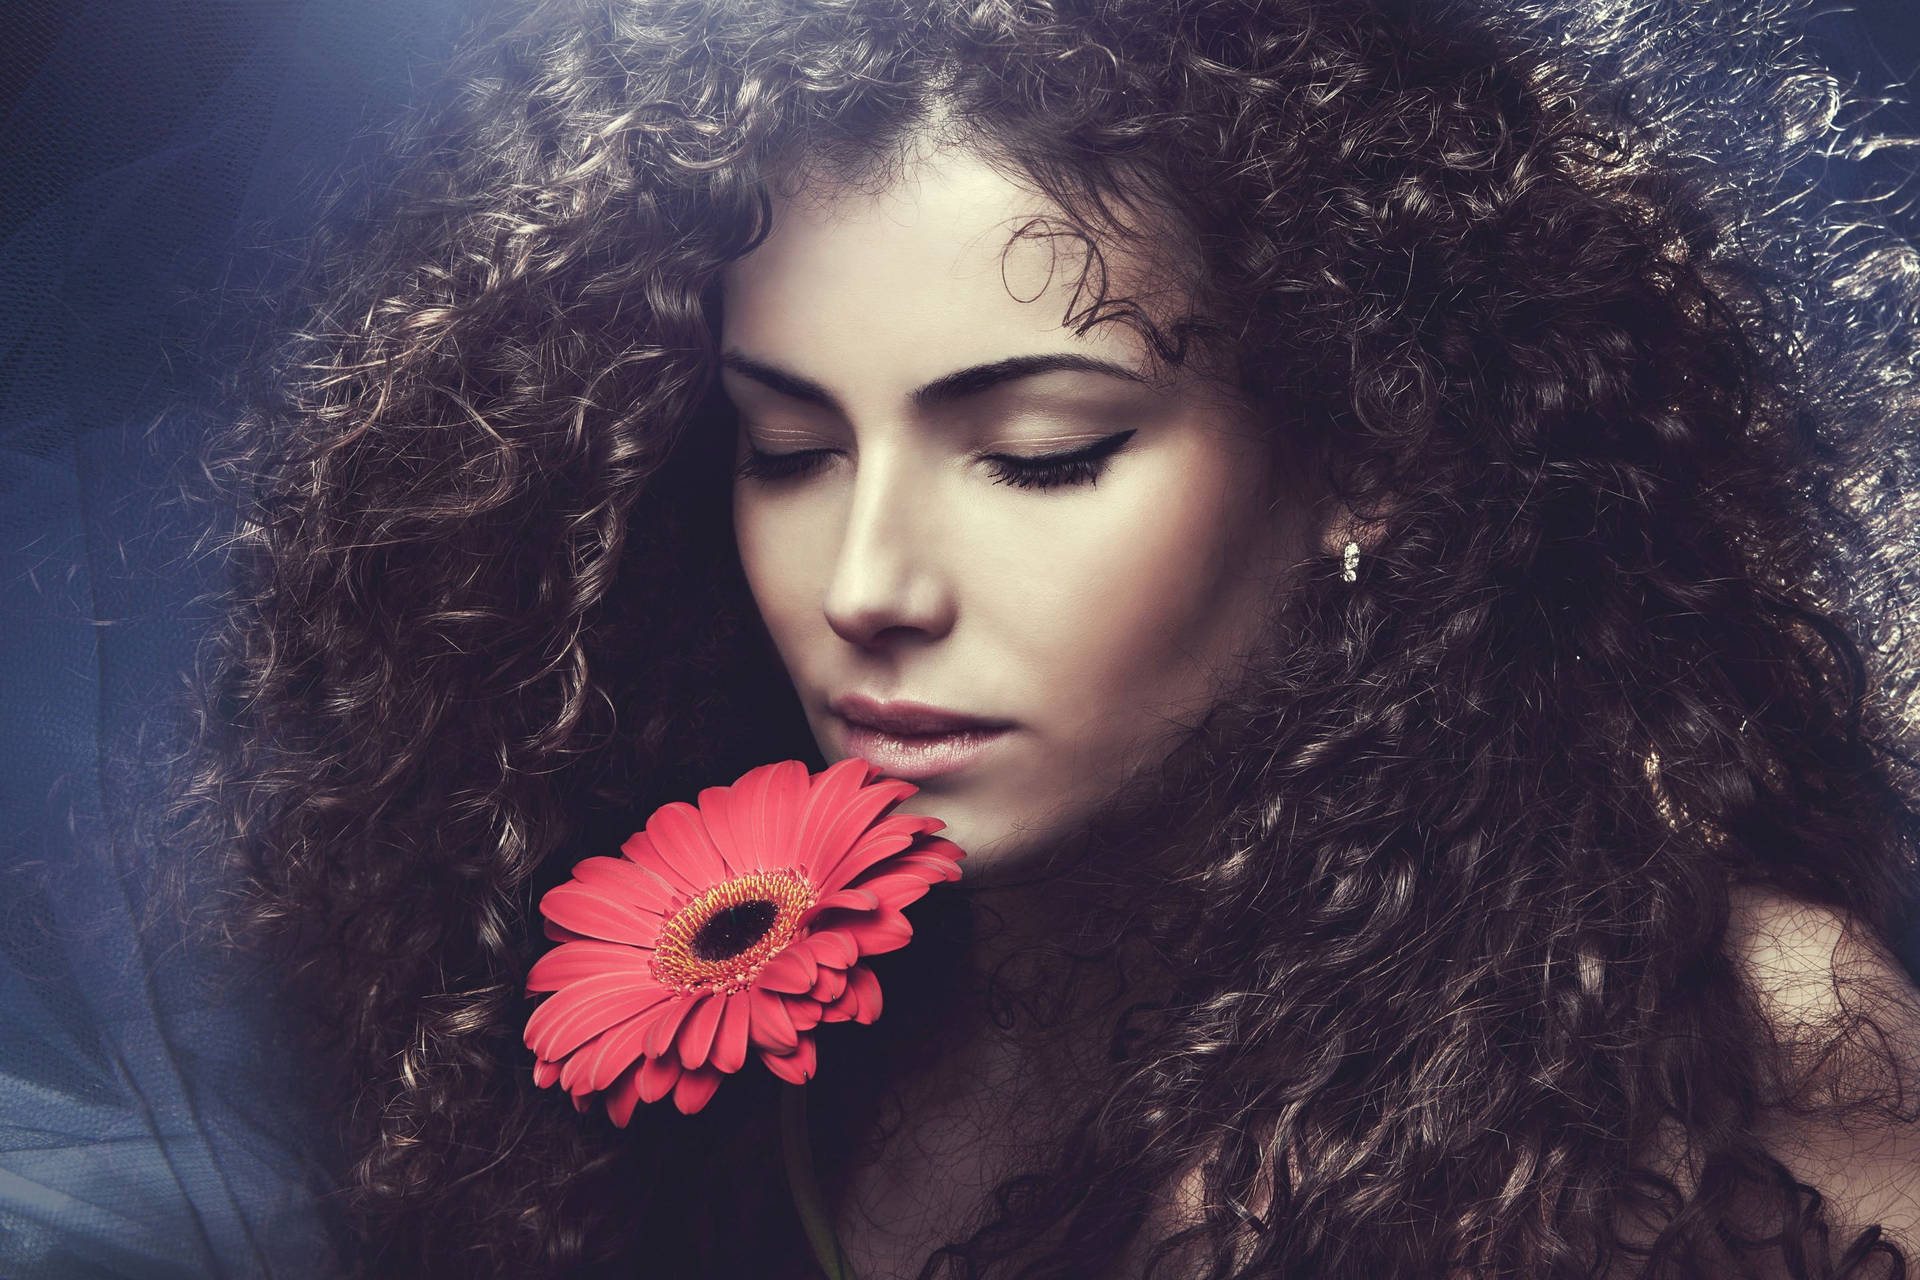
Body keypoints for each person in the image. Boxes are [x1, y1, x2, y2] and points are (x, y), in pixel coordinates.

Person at [167, 0, 1920, 1274]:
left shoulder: (1737, 1040)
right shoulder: (743, 1022)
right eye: (788, 450)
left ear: (1366, 452)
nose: (868, 583)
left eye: (1039, 455)